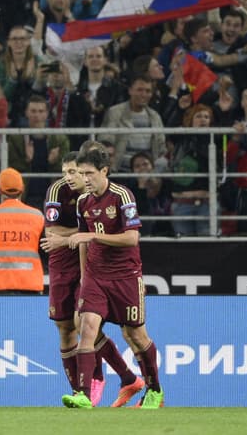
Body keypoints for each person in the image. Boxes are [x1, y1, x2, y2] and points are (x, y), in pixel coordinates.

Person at [59, 145, 164, 409]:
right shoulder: (83, 201)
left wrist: (93, 236)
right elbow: (83, 242)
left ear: (104, 171)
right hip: (95, 277)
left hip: (125, 276)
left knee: (136, 335)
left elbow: (132, 238)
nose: (85, 179)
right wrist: (84, 278)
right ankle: (82, 394)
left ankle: (154, 390)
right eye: (82, 173)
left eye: (90, 173)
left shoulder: (122, 196)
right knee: (87, 329)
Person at [40, 151, 142, 408]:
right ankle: (105, 383)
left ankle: (95, 380)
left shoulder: (104, 195)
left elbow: (101, 231)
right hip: (63, 262)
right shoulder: (58, 191)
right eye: (67, 172)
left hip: (91, 260)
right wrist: (86, 232)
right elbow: (51, 231)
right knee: (65, 328)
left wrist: (88, 234)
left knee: (83, 322)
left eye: (75, 171)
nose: (70, 177)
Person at [0, 167, 44, 292]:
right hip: (29, 285)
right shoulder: (37, 216)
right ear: (22, 189)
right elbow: (46, 250)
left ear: (0, 190)